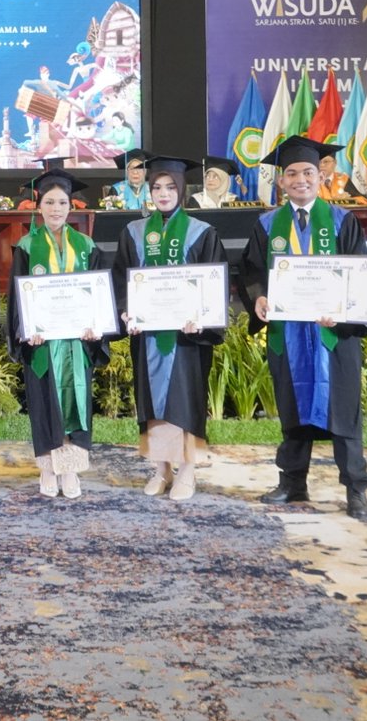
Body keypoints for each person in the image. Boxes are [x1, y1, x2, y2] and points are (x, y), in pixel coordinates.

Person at [243, 136, 367, 520]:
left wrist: (343, 312)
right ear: (282, 181)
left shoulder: (342, 220)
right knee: (292, 408)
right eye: (292, 173)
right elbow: (251, 271)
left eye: (307, 172)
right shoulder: (268, 224)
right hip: (289, 333)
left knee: (344, 411)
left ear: (321, 177)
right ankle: (292, 482)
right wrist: (259, 298)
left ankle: (355, 489)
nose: (300, 179)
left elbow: (359, 275)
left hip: (333, 334)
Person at [114, 155, 227, 501]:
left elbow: (215, 283)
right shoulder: (134, 232)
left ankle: (187, 471)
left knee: (185, 399)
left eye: (170, 187)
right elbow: (121, 279)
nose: (163, 194)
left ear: (181, 189)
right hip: (148, 336)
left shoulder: (201, 232)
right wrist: (126, 312)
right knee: (152, 401)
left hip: (187, 338)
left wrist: (203, 317)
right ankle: (161, 469)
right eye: (157, 187)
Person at [5, 168, 107, 498]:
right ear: (38, 206)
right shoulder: (26, 245)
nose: (56, 209)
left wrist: (96, 326)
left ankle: (71, 469)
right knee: (45, 403)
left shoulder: (85, 245)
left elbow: (97, 294)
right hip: (42, 344)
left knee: (75, 402)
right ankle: (48, 468)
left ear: (71, 206)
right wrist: (27, 329)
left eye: (62, 202)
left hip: (77, 343)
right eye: (49, 202)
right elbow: (17, 297)